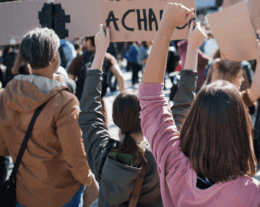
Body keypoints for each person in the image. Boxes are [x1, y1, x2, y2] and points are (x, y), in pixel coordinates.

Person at [139, 4, 260, 206]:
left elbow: (151, 99)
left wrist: (166, 25)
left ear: (194, 119)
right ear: (242, 128)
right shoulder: (252, 194)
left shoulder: (174, 164)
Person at [78, 24, 198, 206]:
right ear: (145, 117)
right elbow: (183, 104)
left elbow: (89, 113)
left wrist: (100, 51)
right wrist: (193, 48)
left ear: (116, 119)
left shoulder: (103, 155)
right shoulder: (164, 151)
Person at [0, 27, 93, 207]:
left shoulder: (6, 95)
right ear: (55, 57)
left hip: (23, 193)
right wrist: (89, 180)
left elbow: (2, 149)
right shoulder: (65, 102)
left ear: (26, 61)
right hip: (62, 195)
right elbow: (76, 157)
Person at [68, 36, 125, 125]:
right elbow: (120, 76)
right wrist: (123, 100)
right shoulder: (106, 57)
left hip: (81, 104)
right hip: (99, 103)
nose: (82, 42)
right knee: (103, 134)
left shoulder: (78, 59)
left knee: (83, 134)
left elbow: (70, 82)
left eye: (84, 40)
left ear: (89, 41)